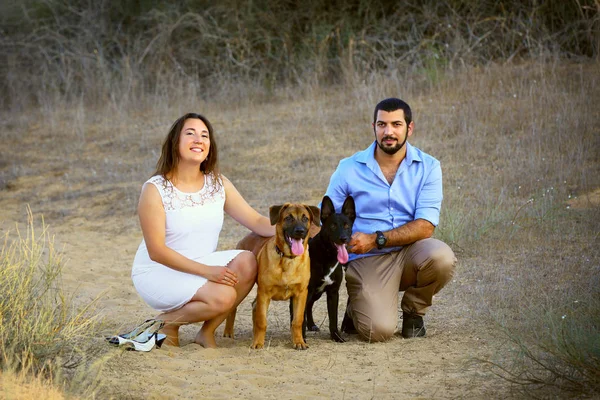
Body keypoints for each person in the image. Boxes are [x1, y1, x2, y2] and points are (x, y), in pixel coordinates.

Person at [131, 113, 275, 348]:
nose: (199, 139)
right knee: (224, 296)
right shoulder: (155, 189)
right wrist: (208, 272)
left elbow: (258, 222)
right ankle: (163, 322)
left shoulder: (218, 184)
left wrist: (306, 227)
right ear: (175, 142)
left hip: (199, 265)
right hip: (158, 271)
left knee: (248, 262)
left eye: (204, 135)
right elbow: (156, 251)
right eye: (190, 133)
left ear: (210, 146)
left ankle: (206, 332)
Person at [323, 98, 456, 342]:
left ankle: (414, 311)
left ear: (409, 128)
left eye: (396, 124)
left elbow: (426, 225)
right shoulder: (348, 168)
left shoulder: (429, 167)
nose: (389, 132)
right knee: (378, 331)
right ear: (373, 126)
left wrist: (378, 239)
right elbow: (327, 218)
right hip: (366, 257)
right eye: (382, 124)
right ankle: (358, 304)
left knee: (442, 258)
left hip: (410, 252)